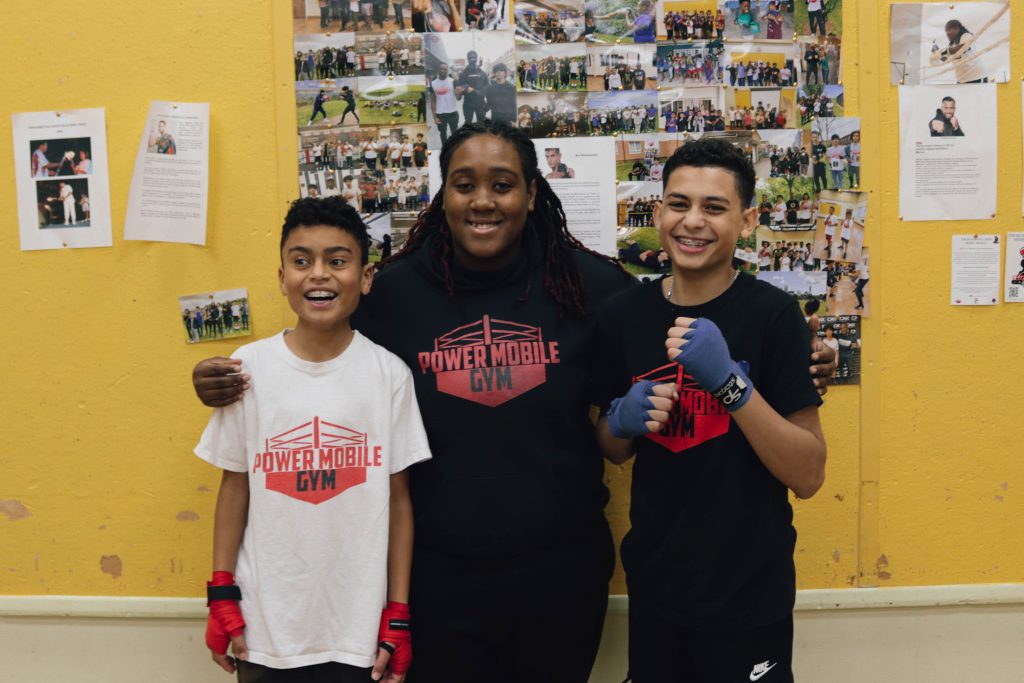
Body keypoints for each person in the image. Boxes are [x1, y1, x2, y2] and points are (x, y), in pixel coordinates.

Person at [190, 122, 837, 683]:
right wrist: (225, 376)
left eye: (502, 183)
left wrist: (798, 364)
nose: (482, 199)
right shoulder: (393, 295)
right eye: (463, 183)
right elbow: (319, 358)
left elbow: (688, 353)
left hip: (564, 576)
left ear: (532, 193)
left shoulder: (592, 287)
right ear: (442, 194)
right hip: (436, 578)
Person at [593, 137, 826, 683]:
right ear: (658, 213)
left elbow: (810, 473)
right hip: (657, 585)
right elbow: (611, 448)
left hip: (750, 591)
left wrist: (731, 386)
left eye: (714, 208)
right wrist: (621, 422)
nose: (692, 221)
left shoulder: (773, 317)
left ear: (746, 222)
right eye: (679, 204)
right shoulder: (621, 317)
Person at [196, 196, 431, 683]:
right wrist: (220, 592)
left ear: (365, 278)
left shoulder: (388, 375)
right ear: (282, 278)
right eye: (301, 261)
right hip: (265, 629)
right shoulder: (249, 369)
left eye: (337, 261)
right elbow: (234, 486)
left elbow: (399, 501)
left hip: (358, 630)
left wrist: (399, 612)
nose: (318, 274)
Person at [429, 63, 461, 145]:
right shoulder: (433, 83)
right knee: (443, 136)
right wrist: (434, 117)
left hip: (453, 113)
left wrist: (458, 93)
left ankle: (454, 151)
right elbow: (433, 101)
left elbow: (458, 98)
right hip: (440, 114)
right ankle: (445, 151)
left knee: (454, 135)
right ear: (438, 70)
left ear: (447, 70)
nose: (442, 70)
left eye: (445, 69)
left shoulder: (453, 81)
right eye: (441, 69)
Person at [456, 51, 489, 125]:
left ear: (477, 58)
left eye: (474, 57)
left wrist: (475, 91)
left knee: (481, 125)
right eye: (470, 57)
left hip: (480, 103)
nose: (472, 59)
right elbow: (460, 89)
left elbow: (488, 88)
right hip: (468, 104)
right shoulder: (463, 74)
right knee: (468, 125)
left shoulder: (483, 73)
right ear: (467, 59)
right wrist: (461, 90)